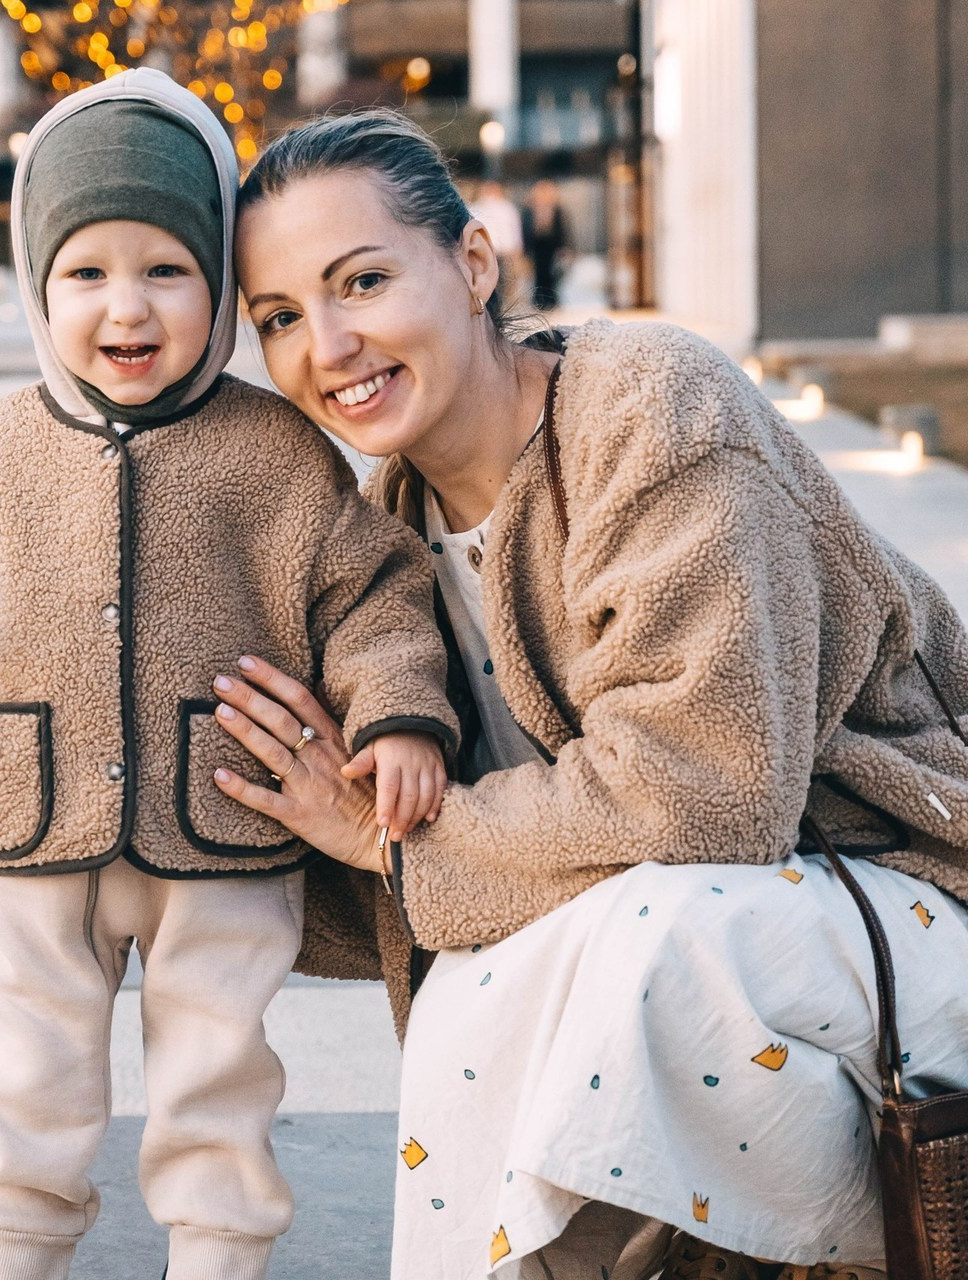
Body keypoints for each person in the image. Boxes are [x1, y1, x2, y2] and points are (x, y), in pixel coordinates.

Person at [211, 109, 968, 1280]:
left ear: (472, 263)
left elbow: (706, 795)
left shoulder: (652, 412)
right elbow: (428, 885)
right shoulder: (380, 537)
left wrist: (393, 840)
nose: (329, 343)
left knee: (644, 935)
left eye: (361, 280)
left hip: (904, 903)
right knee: (492, 981)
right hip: (716, 964)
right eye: (277, 317)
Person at [0, 72, 456, 1280]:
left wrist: (399, 716)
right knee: (26, 1073)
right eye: (86, 273)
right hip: (34, 827)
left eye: (166, 268)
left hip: (225, 819)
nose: (127, 305)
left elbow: (371, 595)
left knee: (217, 1072)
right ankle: (11, 1249)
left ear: (218, 284)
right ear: (35, 284)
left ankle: (216, 1253)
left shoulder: (276, 451)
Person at [468, 179, 524, 308]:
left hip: (504, 252)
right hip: (483, 251)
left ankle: (504, 307)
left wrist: (517, 251)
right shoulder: (475, 208)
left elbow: (514, 230)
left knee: (505, 281)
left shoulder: (507, 208)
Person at [521, 178, 567, 309]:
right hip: (536, 245)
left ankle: (551, 299)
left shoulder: (556, 209)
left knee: (551, 272)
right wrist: (525, 247)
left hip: (551, 245)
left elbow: (562, 229)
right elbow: (525, 229)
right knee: (538, 273)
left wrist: (563, 247)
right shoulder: (529, 209)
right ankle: (539, 298)